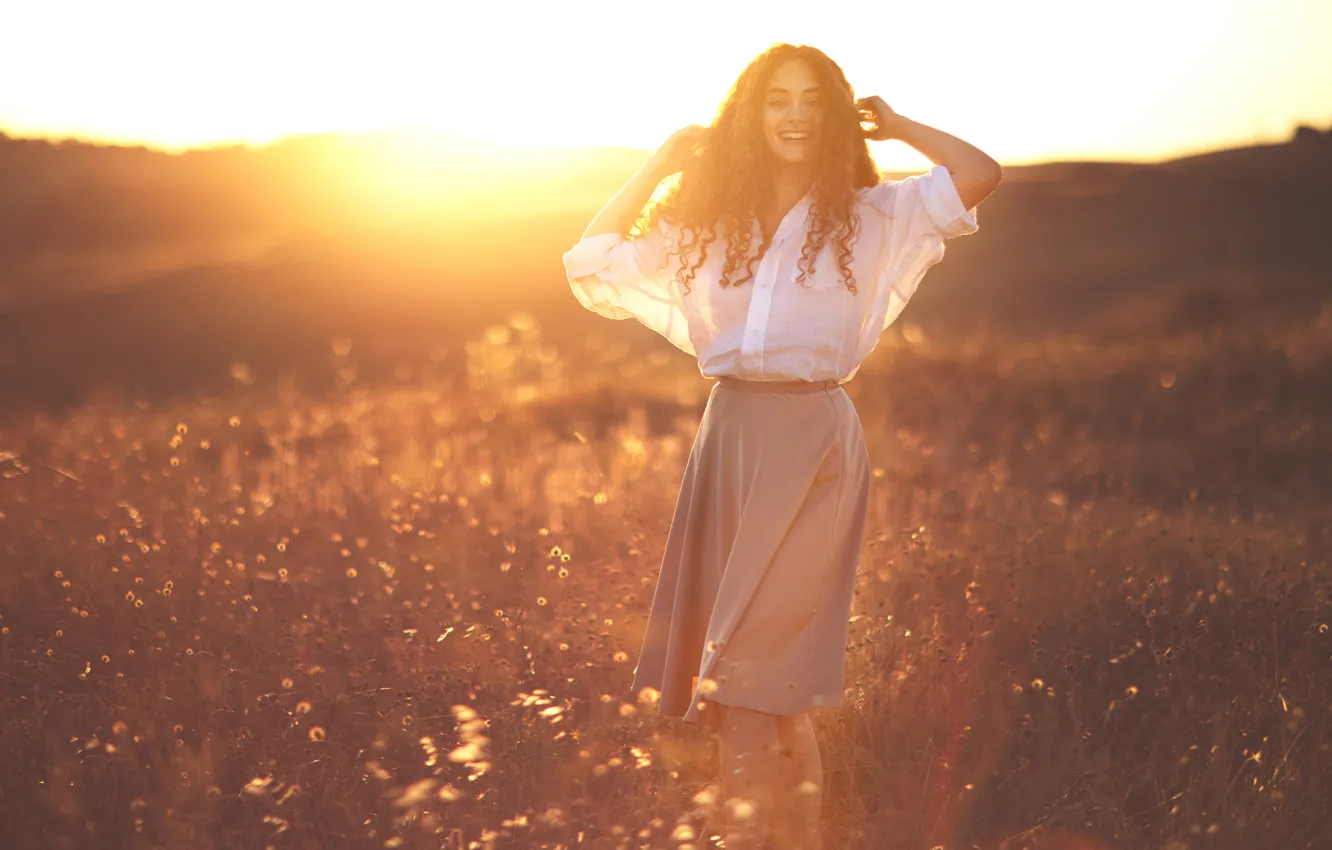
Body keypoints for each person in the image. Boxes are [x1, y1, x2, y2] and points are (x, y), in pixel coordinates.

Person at [562, 42, 1001, 850]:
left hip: (814, 447)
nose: (794, 114)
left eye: (811, 99)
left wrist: (899, 125)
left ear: (835, 114)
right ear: (748, 115)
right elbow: (592, 264)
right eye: (776, 99)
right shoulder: (707, 224)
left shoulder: (872, 214)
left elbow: (978, 174)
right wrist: (660, 163)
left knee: (759, 681)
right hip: (729, 441)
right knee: (764, 694)